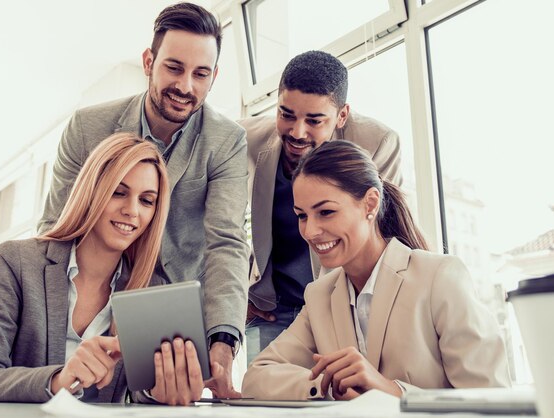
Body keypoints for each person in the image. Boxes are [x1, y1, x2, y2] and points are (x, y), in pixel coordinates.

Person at [37, 3, 249, 396]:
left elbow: (227, 243)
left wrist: (223, 341)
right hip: (96, 293)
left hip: (173, 307)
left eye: (201, 74)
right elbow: (56, 226)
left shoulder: (227, 141)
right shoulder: (88, 128)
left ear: (213, 76)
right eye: (174, 67)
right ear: (149, 61)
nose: (186, 86)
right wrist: (43, 326)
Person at [242, 140, 511, 400]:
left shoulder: (439, 278)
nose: (310, 231)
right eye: (302, 215)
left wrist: (389, 390)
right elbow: (256, 377)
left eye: (325, 212)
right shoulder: (320, 295)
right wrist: (327, 384)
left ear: (370, 204)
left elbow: (491, 399)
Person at [0, 133, 207, 405]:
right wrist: (59, 381)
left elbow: (135, 398)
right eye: (118, 192)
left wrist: (157, 393)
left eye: (147, 201)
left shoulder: (153, 291)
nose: (132, 211)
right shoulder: (16, 262)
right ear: (92, 191)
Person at [238, 50, 402, 361]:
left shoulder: (377, 144)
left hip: (344, 299)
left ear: (342, 116)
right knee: (268, 397)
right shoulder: (244, 140)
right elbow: (221, 226)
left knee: (343, 398)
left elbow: (381, 231)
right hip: (272, 307)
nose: (297, 132)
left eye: (314, 120)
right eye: (286, 114)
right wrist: (237, 294)